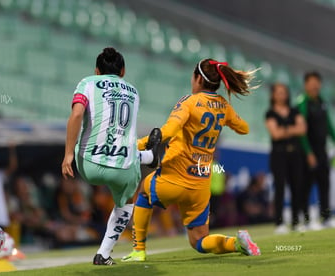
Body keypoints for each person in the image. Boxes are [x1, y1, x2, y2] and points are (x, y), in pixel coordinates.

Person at [122, 58, 261, 263]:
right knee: (198, 240)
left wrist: (138, 144)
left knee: (143, 191)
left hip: (175, 176)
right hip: (199, 186)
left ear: (197, 78)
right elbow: (244, 128)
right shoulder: (223, 106)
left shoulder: (189, 102)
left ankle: (139, 251)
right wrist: (226, 118)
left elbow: (169, 130)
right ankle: (236, 243)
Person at [61, 47, 161, 265]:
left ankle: (147, 157)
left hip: (88, 164)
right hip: (123, 168)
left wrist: (68, 154)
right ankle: (103, 254)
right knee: (125, 203)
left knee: (89, 138)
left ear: (97, 71)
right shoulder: (134, 92)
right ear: (123, 71)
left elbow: (77, 114)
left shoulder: (87, 83)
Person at [265, 83, 306, 233]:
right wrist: (292, 129)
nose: (282, 95)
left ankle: (296, 221)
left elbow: (302, 128)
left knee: (297, 187)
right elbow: (275, 134)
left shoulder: (294, 111)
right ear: (273, 95)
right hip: (278, 155)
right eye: (279, 92)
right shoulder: (270, 113)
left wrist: (284, 130)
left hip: (295, 154)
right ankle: (279, 223)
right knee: (280, 188)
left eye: (284, 92)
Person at [298, 72, 335, 229]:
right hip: (308, 153)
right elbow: (301, 132)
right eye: (312, 82)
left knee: (324, 185)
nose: (315, 86)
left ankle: (325, 218)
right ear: (306, 85)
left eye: (317, 83)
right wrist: (308, 153)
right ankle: (305, 220)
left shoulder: (322, 102)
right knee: (306, 186)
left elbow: (329, 126)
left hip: (322, 152)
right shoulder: (302, 103)